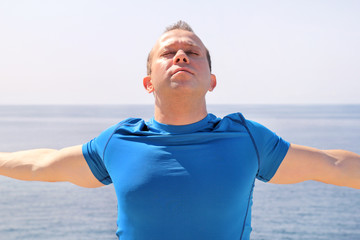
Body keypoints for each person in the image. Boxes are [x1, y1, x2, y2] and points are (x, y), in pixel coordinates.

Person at [0, 20, 359, 240]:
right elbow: (42, 164)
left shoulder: (248, 138)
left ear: (212, 81)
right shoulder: (118, 142)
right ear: (148, 82)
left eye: (192, 52)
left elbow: (333, 164)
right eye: (168, 53)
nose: (181, 56)